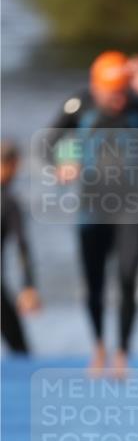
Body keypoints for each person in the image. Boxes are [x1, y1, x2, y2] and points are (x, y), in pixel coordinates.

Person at [47, 51, 138, 376]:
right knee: (94, 284)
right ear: (96, 86)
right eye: (111, 92)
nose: (117, 99)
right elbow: (51, 140)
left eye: (122, 92)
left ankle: (122, 353)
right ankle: (99, 345)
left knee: (128, 278)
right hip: (91, 210)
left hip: (130, 212)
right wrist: (65, 159)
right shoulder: (80, 103)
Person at [1, 140, 41, 353]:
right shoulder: (9, 203)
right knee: (20, 350)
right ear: (11, 165)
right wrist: (28, 286)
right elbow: (21, 245)